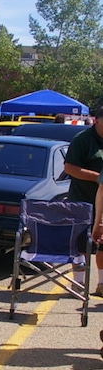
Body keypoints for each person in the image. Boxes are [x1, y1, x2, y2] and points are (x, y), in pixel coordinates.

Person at [66, 107, 103, 294]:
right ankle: (79, 283)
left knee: (102, 243)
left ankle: (101, 284)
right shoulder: (83, 139)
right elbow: (70, 168)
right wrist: (97, 177)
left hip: (102, 204)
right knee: (80, 243)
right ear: (96, 120)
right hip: (82, 201)